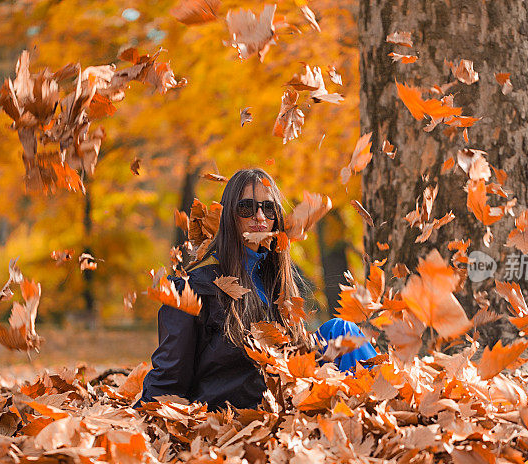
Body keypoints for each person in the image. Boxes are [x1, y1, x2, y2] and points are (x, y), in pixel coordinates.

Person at [138, 168, 377, 410]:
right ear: (230, 215)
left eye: (269, 208)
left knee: (341, 330)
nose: (260, 216)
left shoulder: (276, 282)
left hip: (288, 400)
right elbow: (169, 377)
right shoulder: (192, 288)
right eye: (247, 208)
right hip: (235, 417)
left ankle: (384, 413)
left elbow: (293, 357)